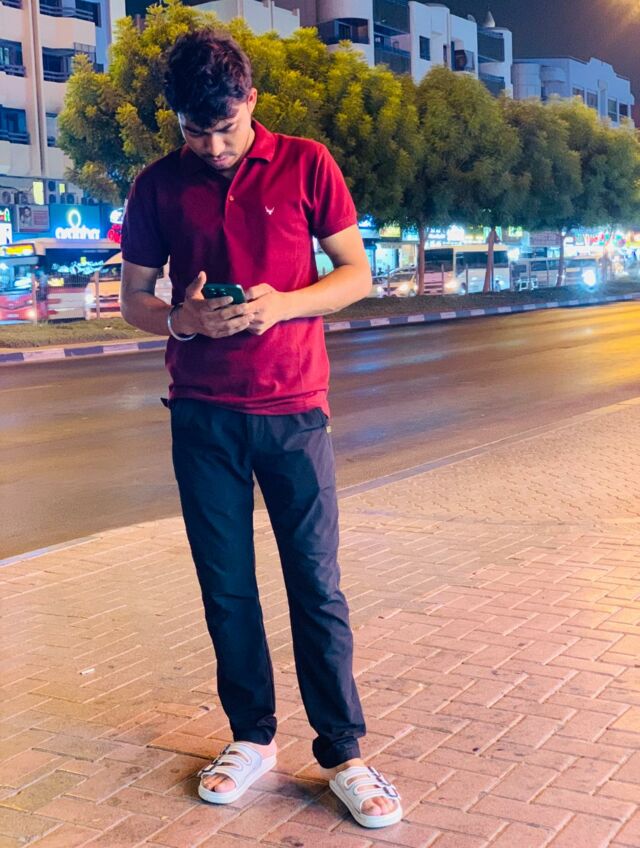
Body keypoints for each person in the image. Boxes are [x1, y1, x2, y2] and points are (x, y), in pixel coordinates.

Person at [120, 29, 402, 830]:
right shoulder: (156, 185)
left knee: (315, 584)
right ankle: (251, 737)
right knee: (226, 587)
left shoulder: (307, 163)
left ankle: (343, 752)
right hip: (201, 415)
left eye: (225, 128)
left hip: (295, 411)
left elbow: (355, 274)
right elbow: (134, 298)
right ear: (176, 120)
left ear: (251, 101)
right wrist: (183, 320)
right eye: (194, 131)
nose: (211, 147)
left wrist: (284, 303)